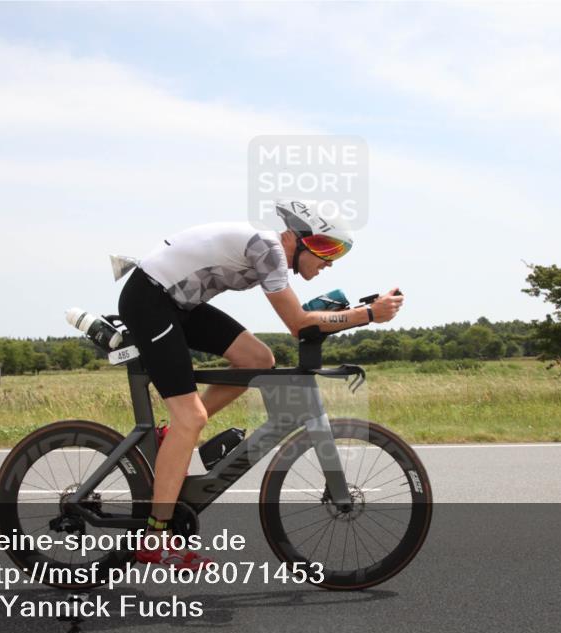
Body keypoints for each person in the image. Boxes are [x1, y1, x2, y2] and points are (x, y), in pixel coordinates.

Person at [117, 200, 403, 568]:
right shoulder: (268, 249)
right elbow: (299, 323)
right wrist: (367, 315)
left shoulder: (271, 254)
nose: (330, 262)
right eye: (327, 249)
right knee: (193, 419)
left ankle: (171, 435)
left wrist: (350, 315)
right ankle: (155, 538)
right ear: (300, 238)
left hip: (178, 303)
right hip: (150, 301)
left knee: (258, 360)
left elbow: (305, 316)